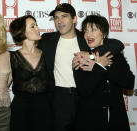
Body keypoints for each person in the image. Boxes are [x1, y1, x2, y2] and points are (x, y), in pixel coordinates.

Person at [38, 3, 125, 131]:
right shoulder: (47, 39)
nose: (59, 21)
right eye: (56, 17)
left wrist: (90, 56)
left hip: (84, 98)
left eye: (64, 16)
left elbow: (117, 44)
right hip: (59, 98)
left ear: (74, 19)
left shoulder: (85, 38)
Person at [73, 15, 135, 131]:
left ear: (104, 34)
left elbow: (129, 83)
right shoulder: (81, 58)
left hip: (116, 120)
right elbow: (84, 90)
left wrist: (105, 67)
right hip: (90, 121)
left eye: (93, 30)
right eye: (85, 31)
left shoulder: (115, 56)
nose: (88, 34)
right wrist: (100, 66)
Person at [9, 15, 53, 131]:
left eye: (37, 25)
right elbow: (4, 84)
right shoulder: (12, 57)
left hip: (44, 109)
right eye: (32, 26)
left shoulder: (46, 54)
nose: (37, 29)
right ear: (22, 32)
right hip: (20, 110)